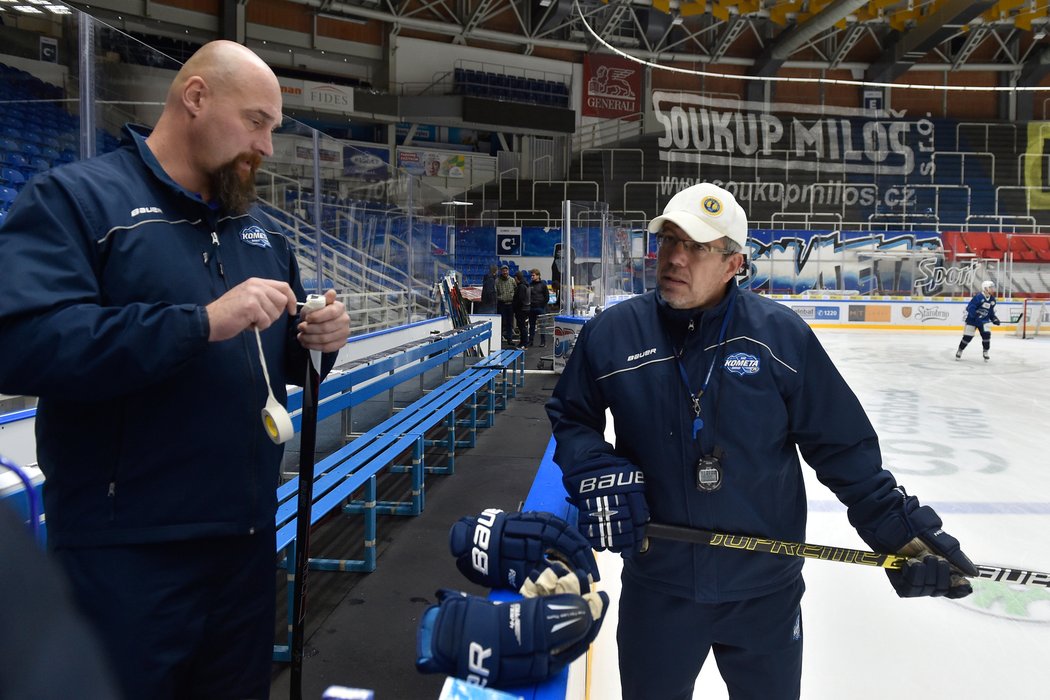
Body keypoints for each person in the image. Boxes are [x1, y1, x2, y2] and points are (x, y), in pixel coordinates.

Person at [0, 40, 351, 699]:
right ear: (195, 98)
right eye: (256, 122)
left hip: (244, 544)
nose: (267, 148)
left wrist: (320, 342)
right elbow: (25, 342)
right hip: (125, 555)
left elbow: (282, 365)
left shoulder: (262, 237)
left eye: (273, 129)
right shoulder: (77, 201)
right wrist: (199, 322)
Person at [545, 182, 977, 700]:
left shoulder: (779, 336)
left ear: (733, 262)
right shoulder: (613, 334)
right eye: (669, 242)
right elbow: (572, 417)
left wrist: (900, 535)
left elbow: (841, 449)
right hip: (658, 589)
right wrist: (594, 468)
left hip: (765, 595)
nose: (675, 258)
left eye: (697, 247)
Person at [955, 279, 1000, 361]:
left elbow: (990, 312)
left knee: (986, 335)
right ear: (985, 288)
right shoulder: (978, 297)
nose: (993, 289)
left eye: (993, 287)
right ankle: (960, 350)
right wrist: (976, 317)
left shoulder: (992, 300)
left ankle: (985, 351)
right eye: (991, 287)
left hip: (984, 321)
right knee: (967, 337)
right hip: (972, 320)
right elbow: (970, 308)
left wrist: (994, 318)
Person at [527, 268, 550, 347]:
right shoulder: (530, 285)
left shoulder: (543, 285)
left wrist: (542, 305)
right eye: (531, 275)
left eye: (533, 275)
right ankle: (531, 341)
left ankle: (543, 341)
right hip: (532, 308)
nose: (532, 277)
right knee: (531, 326)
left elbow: (547, 297)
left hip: (540, 308)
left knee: (542, 326)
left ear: (538, 276)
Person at [495, 264, 517, 345]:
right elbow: (495, 292)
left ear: (508, 271)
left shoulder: (512, 280)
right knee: (501, 322)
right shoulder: (497, 281)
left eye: (506, 270)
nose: (505, 272)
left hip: (510, 304)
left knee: (510, 322)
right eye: (503, 271)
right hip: (501, 304)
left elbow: (516, 289)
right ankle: (499, 338)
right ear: (501, 271)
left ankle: (509, 339)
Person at [512, 270, 530, 348]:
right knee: (522, 326)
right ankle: (523, 342)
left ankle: (524, 343)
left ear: (517, 278)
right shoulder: (524, 286)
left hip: (521, 310)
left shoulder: (521, 287)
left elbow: (520, 299)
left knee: (522, 327)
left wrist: (515, 307)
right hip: (523, 309)